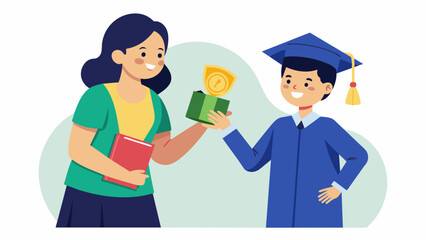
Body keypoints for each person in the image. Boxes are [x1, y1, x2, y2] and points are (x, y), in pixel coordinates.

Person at [57, 13, 213, 227]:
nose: (154, 60)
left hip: (137, 197)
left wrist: (202, 125)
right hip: (89, 195)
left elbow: (163, 154)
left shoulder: (156, 103)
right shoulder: (97, 97)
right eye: (143, 51)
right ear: (118, 55)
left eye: (160, 54)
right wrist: (124, 175)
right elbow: (78, 150)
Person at [203, 33, 368, 227]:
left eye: (307, 83)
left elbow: (359, 155)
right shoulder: (279, 127)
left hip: (318, 213)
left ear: (327, 88)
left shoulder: (327, 127)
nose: (295, 87)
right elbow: (251, 162)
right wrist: (227, 129)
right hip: (280, 215)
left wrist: (338, 187)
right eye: (288, 80)